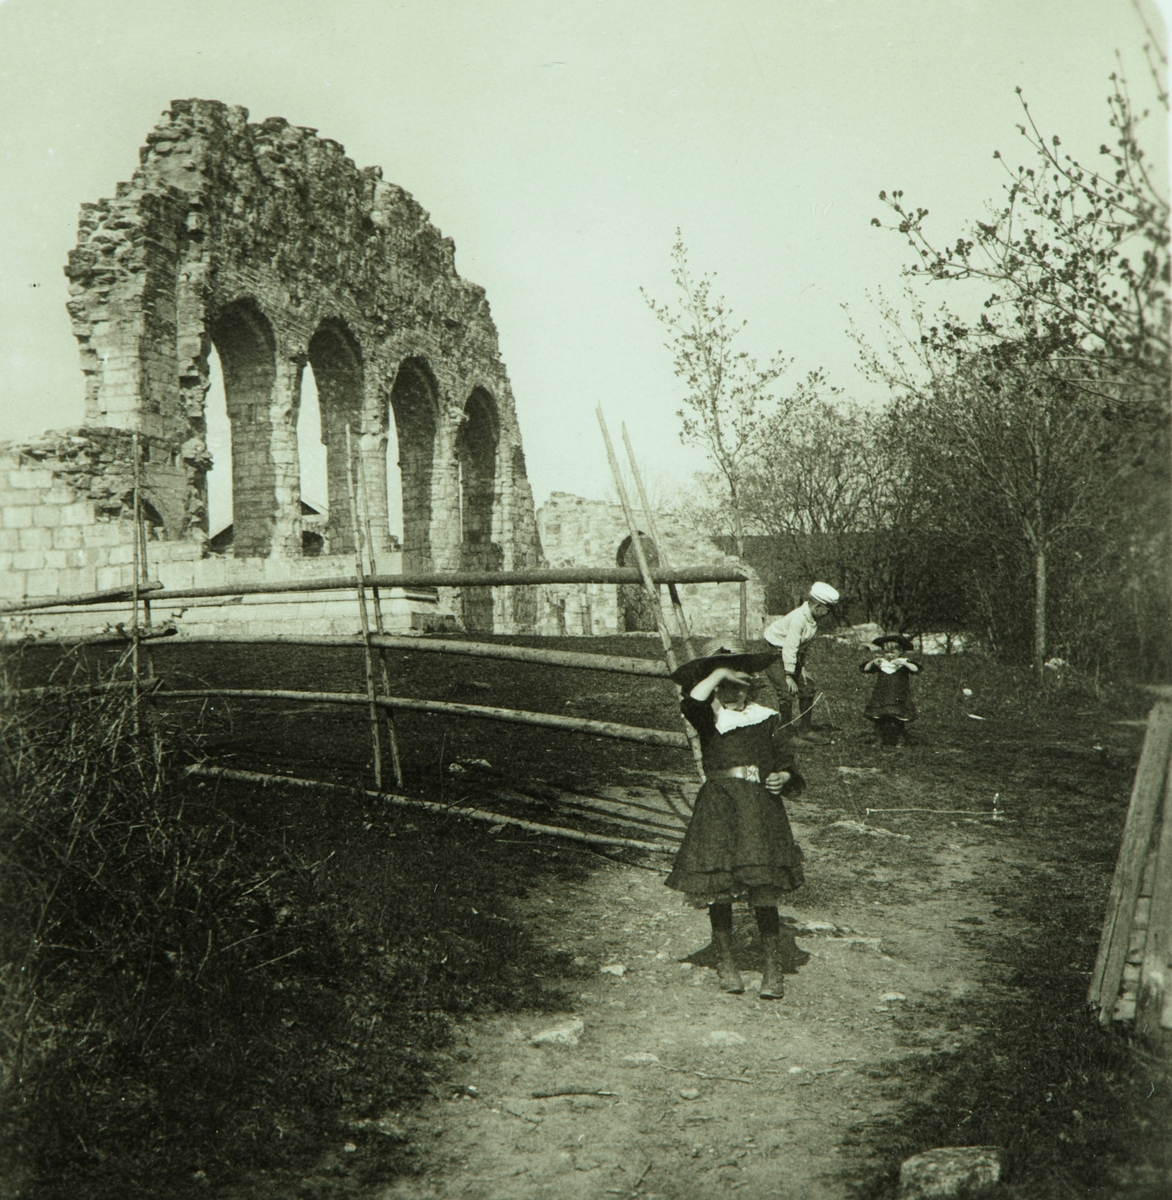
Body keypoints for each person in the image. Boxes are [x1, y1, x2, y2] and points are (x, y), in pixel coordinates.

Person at [664, 637, 806, 1000]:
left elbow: (784, 757)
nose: (731, 694)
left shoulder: (767, 718)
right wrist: (720, 670)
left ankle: (773, 967)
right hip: (719, 804)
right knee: (720, 883)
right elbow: (691, 700)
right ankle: (725, 960)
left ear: (750, 687)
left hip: (758, 806)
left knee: (762, 883)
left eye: (738, 686)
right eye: (724, 686)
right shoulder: (709, 719)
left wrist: (783, 777)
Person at [762, 581, 840, 745]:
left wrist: (801, 668)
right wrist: (789, 675)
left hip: (789, 653)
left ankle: (806, 730)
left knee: (807, 687)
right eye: (827, 610)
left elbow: (802, 647)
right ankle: (786, 734)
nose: (828, 614)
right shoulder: (799, 618)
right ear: (818, 606)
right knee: (786, 690)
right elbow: (790, 647)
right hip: (773, 652)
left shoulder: (812, 621)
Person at [861, 634, 919, 746]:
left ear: (900, 651)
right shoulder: (882, 663)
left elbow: (916, 669)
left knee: (898, 718)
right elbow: (865, 669)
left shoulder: (903, 663)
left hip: (898, 694)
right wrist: (873, 662)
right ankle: (879, 738)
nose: (889, 655)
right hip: (882, 694)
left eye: (893, 652)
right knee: (879, 717)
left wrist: (905, 663)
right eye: (887, 652)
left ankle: (900, 739)